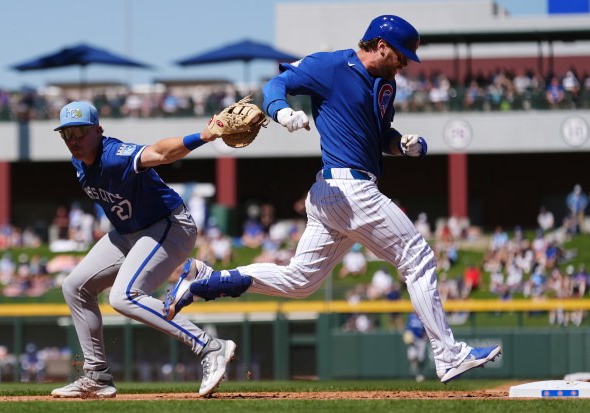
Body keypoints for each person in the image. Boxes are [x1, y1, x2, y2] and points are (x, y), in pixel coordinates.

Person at [164, 15, 501, 384]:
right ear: (382, 46)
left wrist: (400, 145)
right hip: (347, 187)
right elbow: (275, 85)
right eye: (402, 55)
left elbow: (380, 136)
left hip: (337, 193)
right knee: (417, 258)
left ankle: (204, 282)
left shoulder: (384, 84)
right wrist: (283, 112)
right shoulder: (332, 65)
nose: (405, 64)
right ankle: (449, 355)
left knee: (300, 281)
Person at [49, 101, 236, 399]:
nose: (73, 140)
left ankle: (209, 346)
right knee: (75, 286)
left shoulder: (113, 155)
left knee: (123, 297)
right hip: (129, 232)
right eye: (67, 134)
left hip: (169, 224)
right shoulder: (79, 161)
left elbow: (160, 152)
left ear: (98, 130)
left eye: (80, 132)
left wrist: (203, 135)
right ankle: (97, 376)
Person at [403, 312, 427, 382]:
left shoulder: (423, 315)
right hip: (413, 339)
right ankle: (416, 372)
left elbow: (426, 327)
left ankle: (420, 373)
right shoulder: (411, 315)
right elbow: (407, 327)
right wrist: (407, 334)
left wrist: (425, 335)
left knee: (421, 358)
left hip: (421, 339)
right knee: (412, 356)